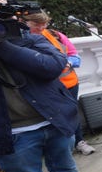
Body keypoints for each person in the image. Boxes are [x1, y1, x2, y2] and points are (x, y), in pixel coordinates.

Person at [0, 8, 102, 172]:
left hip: (53, 119)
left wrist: (3, 45)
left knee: (65, 167)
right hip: (13, 132)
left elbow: (53, 65)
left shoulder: (29, 38)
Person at [22, 10, 95, 155]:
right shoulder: (20, 40)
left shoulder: (56, 35)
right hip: (46, 88)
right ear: (24, 22)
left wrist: (67, 62)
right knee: (53, 118)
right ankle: (60, 148)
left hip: (69, 84)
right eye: (37, 24)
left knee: (72, 113)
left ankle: (79, 142)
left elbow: (74, 56)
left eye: (45, 24)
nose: (42, 28)